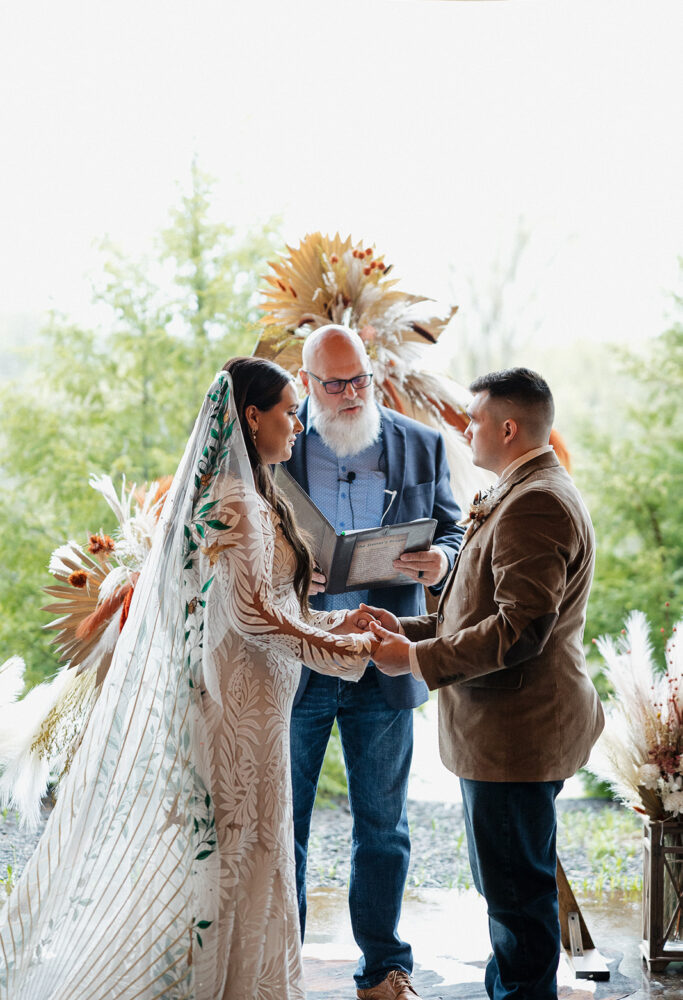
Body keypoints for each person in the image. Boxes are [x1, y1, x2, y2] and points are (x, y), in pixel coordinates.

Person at [0, 357, 377, 1000]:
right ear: (250, 417)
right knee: (237, 851)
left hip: (262, 703)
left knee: (260, 846)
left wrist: (338, 625)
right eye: (288, 410)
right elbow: (250, 614)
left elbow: (276, 604)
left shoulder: (261, 494)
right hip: (237, 707)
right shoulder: (234, 502)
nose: (298, 422)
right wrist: (343, 650)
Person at [357, 368, 605, 1000]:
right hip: (503, 733)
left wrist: (414, 662)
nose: (466, 427)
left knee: (517, 899)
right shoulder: (517, 490)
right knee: (507, 888)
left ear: (509, 427)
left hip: (517, 736)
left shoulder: (536, 503)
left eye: (474, 418)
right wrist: (408, 631)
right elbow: (471, 610)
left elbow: (520, 631)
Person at [284, 325, 463, 1000]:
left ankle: (385, 968)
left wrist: (441, 558)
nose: (351, 393)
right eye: (334, 384)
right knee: (285, 826)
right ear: (306, 385)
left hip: (382, 662)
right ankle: (278, 963)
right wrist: (291, 580)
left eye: (359, 378)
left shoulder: (420, 443)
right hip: (299, 664)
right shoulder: (277, 445)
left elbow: (453, 527)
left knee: (383, 828)